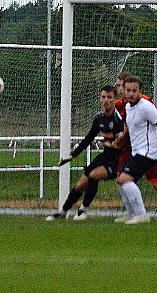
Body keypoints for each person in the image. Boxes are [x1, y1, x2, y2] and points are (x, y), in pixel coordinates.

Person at [46, 85, 123, 221]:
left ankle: (83, 210)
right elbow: (88, 139)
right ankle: (63, 212)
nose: (106, 100)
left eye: (110, 97)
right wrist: (72, 155)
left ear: (115, 100)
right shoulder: (99, 118)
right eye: (103, 97)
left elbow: (125, 141)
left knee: (94, 175)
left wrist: (115, 143)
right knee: (81, 184)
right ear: (100, 99)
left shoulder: (119, 119)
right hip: (105, 156)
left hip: (119, 158)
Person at [116, 75, 157, 224]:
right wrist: (121, 138)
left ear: (140, 91)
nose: (131, 94)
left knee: (124, 179)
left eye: (134, 91)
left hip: (149, 152)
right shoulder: (128, 107)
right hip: (137, 151)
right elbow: (130, 128)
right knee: (121, 181)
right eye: (128, 90)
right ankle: (132, 213)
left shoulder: (146, 106)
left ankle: (142, 215)